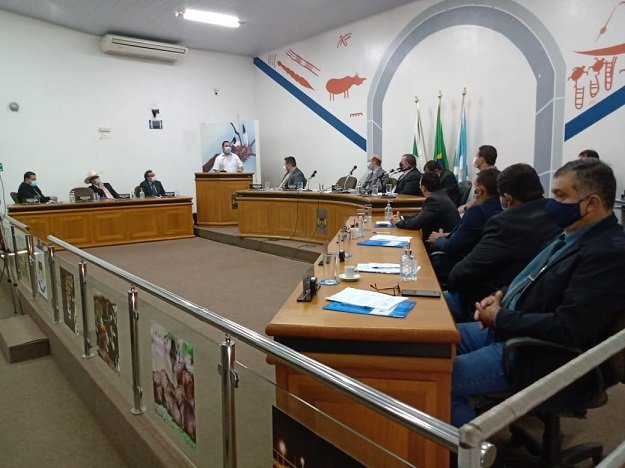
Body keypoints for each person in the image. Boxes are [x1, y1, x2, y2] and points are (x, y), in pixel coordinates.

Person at [451, 158, 625, 428]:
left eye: (561, 195)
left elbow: (570, 327)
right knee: (436, 342)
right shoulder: (571, 235)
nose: (552, 203)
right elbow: (532, 277)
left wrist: (499, 317)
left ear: (591, 203)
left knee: (439, 378)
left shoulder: (608, 251)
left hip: (542, 353)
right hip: (512, 328)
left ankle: (470, 450)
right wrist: (501, 295)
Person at [445, 164, 560, 322]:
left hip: (493, 303)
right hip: (536, 305)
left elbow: (465, 271)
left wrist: (451, 281)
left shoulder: (505, 223)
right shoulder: (557, 213)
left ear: (507, 198)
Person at [427, 168, 502, 284]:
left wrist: (438, 239)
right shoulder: (501, 211)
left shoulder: (477, 213)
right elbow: (473, 236)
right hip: (487, 273)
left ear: (481, 190)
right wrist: (447, 235)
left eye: (475, 188)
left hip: (459, 267)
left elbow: (453, 247)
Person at [393, 172, 460, 242]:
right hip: (448, 238)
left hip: (442, 242)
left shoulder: (434, 200)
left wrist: (398, 222)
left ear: (423, 188)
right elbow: (420, 216)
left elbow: (416, 223)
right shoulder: (440, 195)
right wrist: (402, 218)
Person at [458, 145, 498, 213]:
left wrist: (462, 209)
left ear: (481, 160)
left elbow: (477, 201)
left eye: (476, 156)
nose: (475, 158)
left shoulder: (486, 178)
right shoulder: (493, 174)